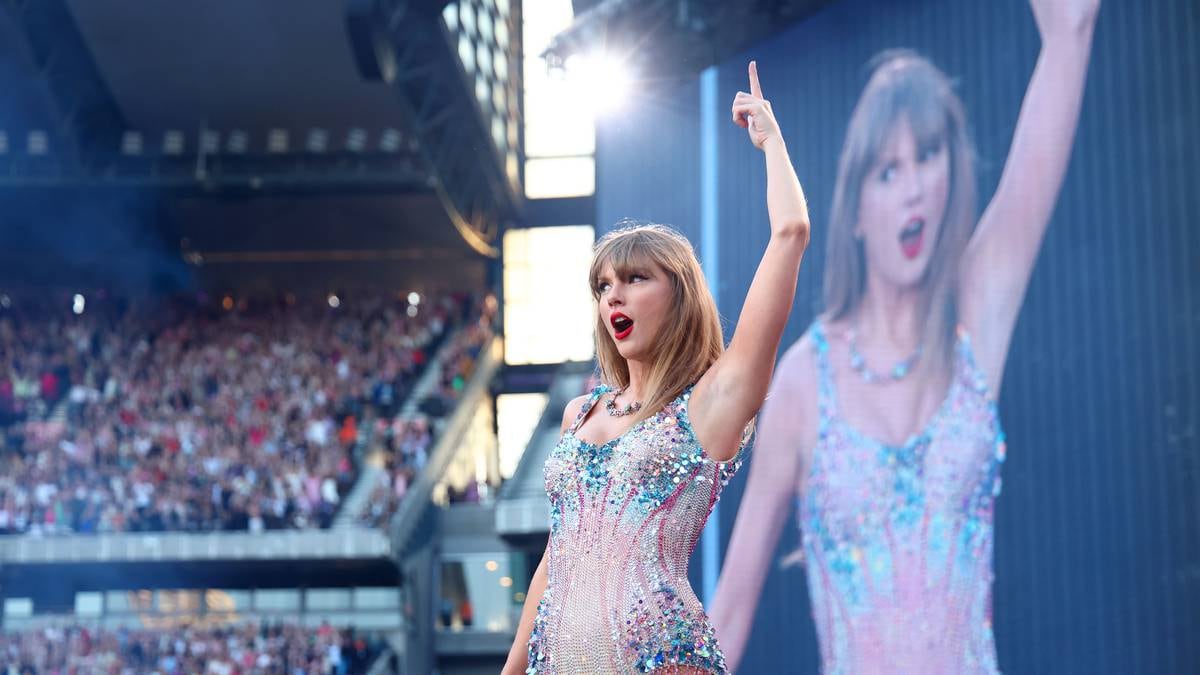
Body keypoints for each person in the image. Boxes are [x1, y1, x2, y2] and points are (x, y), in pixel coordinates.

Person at [711, 1, 1099, 672]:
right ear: (857, 209)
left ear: (950, 174)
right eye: (888, 171)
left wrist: (1071, 27)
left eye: (927, 156)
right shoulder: (804, 381)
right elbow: (732, 608)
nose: (914, 187)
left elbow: (1070, 37)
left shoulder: (974, 314)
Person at [502, 61, 811, 674]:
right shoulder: (580, 413)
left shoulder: (712, 402)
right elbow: (560, 553)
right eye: (603, 285)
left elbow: (791, 233)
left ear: (680, 295)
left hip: (664, 660)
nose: (612, 296)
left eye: (634, 278)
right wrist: (512, 668)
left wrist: (771, 142)